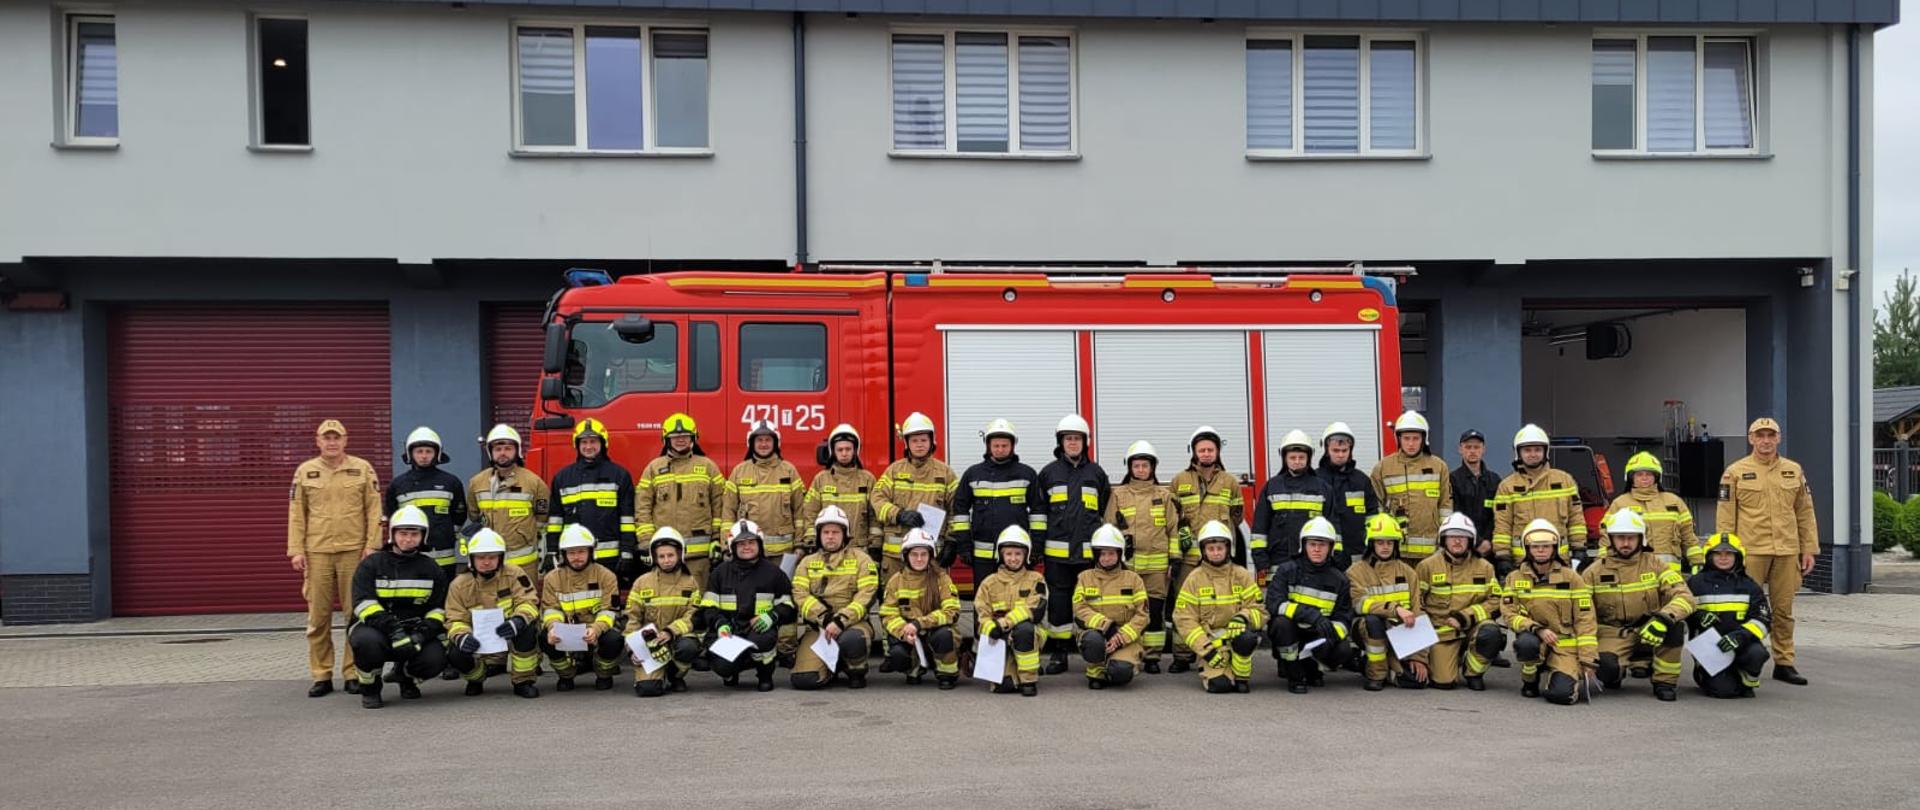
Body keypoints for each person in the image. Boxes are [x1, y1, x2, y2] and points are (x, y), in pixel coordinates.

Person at [1716, 417, 1819, 686]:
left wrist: (1808, 548)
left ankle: (1784, 662)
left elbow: (1805, 512)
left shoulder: (1793, 470)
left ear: (1778, 438)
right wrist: (1726, 553)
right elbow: (1726, 515)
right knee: (1745, 609)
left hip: (1786, 551)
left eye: (1770, 436)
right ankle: (1744, 660)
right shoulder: (1735, 472)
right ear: (1751, 439)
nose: (1765, 441)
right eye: (1760, 435)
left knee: (1783, 610)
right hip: (1751, 551)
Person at [288, 418, 383, 697]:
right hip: (317, 553)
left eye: (336, 437)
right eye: (326, 438)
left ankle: (352, 672)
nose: (331, 442)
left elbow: (374, 510)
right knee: (318, 618)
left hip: (354, 552)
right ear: (317, 441)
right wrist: (296, 550)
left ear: (345, 440)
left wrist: (372, 546)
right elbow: (296, 514)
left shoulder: (362, 469)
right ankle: (321, 674)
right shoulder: (306, 472)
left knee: (355, 615)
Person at [345, 505, 449, 709]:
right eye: (403, 533)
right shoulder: (372, 564)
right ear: (392, 534)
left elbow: (439, 609)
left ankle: (405, 676)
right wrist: (394, 630)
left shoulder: (431, 568)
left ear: (423, 536)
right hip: (377, 629)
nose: (408, 539)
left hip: (414, 631)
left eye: (414, 534)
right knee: (366, 643)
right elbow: (363, 604)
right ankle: (371, 688)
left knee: (436, 658)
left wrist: (421, 634)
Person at [1586, 510, 1695, 701]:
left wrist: (1664, 618)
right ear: (1611, 539)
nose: (1626, 543)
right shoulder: (1594, 571)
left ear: (1641, 539)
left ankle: (1664, 681)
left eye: (1631, 538)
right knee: (1607, 671)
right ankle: (1620, 668)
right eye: (1620, 538)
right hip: (1614, 633)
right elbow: (1581, 611)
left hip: (1651, 628)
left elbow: (1685, 596)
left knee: (1674, 626)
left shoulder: (1656, 565)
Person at [725, 420, 808, 664]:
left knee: (785, 600)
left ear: (775, 443)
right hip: (750, 553)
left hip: (784, 553)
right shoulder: (739, 472)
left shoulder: (789, 471)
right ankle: (754, 644)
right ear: (751, 444)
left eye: (768, 440)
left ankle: (786, 649)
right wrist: (726, 544)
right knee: (753, 600)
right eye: (759, 440)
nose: (763, 444)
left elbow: (800, 512)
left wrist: (801, 544)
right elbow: (727, 512)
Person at [1036, 414, 1111, 674]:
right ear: (1061, 442)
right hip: (1057, 555)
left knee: (1092, 602)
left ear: (1085, 442)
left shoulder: (1096, 473)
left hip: (1089, 554)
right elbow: (1040, 514)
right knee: (1059, 603)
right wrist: (1037, 547)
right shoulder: (1048, 473)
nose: (1072, 443)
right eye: (1068, 439)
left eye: (1077, 439)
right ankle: (1059, 653)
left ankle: (1093, 651)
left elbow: (1104, 511)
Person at [1168, 427, 1243, 673]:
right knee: (1184, 605)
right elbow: (1171, 514)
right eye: (1202, 449)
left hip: (1218, 558)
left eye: (1211, 449)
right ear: (1194, 452)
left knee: (1218, 605)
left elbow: (1237, 517)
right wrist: (1182, 533)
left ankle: (1218, 649)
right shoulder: (1180, 480)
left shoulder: (1230, 482)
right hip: (1190, 557)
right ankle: (1181, 656)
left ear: (1217, 451)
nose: (1207, 454)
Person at [1103, 440, 1181, 673]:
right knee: (1129, 612)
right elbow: (1109, 527)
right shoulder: (1118, 495)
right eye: (1136, 466)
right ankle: (1131, 651)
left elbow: (1173, 529)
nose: (1140, 470)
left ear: (1152, 468)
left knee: (1155, 612)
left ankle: (1153, 657)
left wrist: (1174, 559)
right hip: (1128, 567)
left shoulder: (1164, 496)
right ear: (1129, 468)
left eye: (1145, 466)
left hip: (1157, 568)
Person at [805, 424, 883, 653]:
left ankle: (857, 643)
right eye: (840, 449)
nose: (844, 453)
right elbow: (809, 513)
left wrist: (875, 547)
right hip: (826, 552)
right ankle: (823, 640)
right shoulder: (821, 480)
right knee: (826, 594)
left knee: (858, 598)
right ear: (833, 451)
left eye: (849, 449)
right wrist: (811, 544)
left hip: (859, 551)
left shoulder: (867, 479)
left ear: (855, 451)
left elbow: (875, 517)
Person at [1502, 519, 1597, 705]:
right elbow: (1509, 614)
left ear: (1555, 548)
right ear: (1527, 548)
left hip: (1565, 648)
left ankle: (1556, 675)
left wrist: (1587, 660)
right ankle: (1530, 680)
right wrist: (1536, 629)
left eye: (1546, 546)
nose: (1541, 550)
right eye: (1535, 546)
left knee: (1562, 695)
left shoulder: (1572, 578)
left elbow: (1586, 620)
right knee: (1526, 643)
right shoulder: (1514, 578)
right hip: (1535, 640)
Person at [443, 527, 542, 699]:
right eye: (481, 557)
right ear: (471, 559)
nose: (486, 562)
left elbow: (529, 600)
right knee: (455, 651)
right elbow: (454, 618)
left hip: (510, 633)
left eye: (492, 557)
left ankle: (523, 681)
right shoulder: (459, 585)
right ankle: (476, 679)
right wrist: (462, 636)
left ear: (501, 558)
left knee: (528, 629)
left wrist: (518, 620)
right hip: (478, 640)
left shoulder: (514, 574)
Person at [950, 419, 1046, 595]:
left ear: (1012, 446)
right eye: (996, 445)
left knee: (1017, 599)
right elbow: (960, 511)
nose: (1000, 449)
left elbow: (1038, 513)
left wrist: (1037, 546)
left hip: (1016, 554)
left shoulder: (1027, 474)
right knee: (983, 601)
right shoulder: (973, 474)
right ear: (988, 446)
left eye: (1004, 445)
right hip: (983, 554)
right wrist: (963, 546)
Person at [790, 505, 881, 690]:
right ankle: (832, 665)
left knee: (853, 640)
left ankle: (855, 670)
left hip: (854, 625)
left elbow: (866, 595)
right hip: (819, 628)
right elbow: (799, 594)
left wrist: (841, 621)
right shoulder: (806, 563)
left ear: (845, 534)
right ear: (819, 535)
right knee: (804, 679)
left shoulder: (862, 560)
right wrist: (824, 618)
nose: (830, 536)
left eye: (835, 532)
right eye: (826, 532)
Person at [1411, 513, 1505, 691]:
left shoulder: (1485, 567)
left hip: (1472, 628)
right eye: (1452, 536)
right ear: (1443, 540)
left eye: (1462, 537)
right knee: (1443, 682)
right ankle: (1452, 656)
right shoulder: (1427, 566)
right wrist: (1420, 652)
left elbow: (1495, 600)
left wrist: (1464, 617)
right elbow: (1417, 605)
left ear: (1471, 540)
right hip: (1442, 633)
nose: (1457, 542)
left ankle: (1473, 672)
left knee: (1491, 633)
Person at [700, 520, 795, 692]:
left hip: (758, 629)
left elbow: (788, 605)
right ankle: (730, 672)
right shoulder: (719, 573)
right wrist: (719, 624)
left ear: (760, 543)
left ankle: (765, 674)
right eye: (741, 544)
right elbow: (708, 607)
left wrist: (771, 617)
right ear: (732, 546)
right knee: (722, 664)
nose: (747, 547)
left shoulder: (773, 573)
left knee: (763, 639)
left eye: (751, 542)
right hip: (729, 630)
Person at [636, 413, 728, 586]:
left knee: (698, 601)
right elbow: (643, 508)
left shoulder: (708, 467)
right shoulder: (654, 469)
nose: (680, 440)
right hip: (665, 554)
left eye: (685, 436)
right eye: (675, 437)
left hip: (699, 557)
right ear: (666, 440)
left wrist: (717, 540)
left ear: (693, 438)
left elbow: (720, 505)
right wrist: (646, 543)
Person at [1173, 520, 1265, 694]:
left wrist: (1243, 616)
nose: (1216, 553)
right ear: (1203, 550)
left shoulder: (1241, 575)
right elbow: (1184, 619)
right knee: (1219, 686)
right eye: (1211, 549)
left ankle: (1241, 676)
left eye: (1220, 548)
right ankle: (1223, 671)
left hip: (1237, 641)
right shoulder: (1194, 579)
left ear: (1228, 549)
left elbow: (1260, 610)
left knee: (1246, 639)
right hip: (1211, 646)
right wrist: (1206, 651)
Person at [869, 411, 957, 590]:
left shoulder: (945, 473)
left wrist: (952, 541)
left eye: (923, 440)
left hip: (930, 556)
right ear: (907, 443)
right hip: (896, 557)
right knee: (894, 603)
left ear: (932, 441)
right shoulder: (894, 471)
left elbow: (957, 510)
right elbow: (877, 499)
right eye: (914, 441)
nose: (919, 445)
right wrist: (899, 515)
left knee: (930, 600)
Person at [1266, 517, 1356, 693]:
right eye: (1312, 544)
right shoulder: (1287, 570)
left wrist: (1332, 635)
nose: (1316, 549)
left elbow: (1344, 618)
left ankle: (1312, 666)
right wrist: (1311, 616)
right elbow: (1274, 603)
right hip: (1292, 633)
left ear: (1331, 547)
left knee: (1343, 649)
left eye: (1322, 545)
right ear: (1303, 545)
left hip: (1318, 637)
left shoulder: (1340, 580)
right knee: (1281, 623)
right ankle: (1293, 672)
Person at [546, 418, 638, 588]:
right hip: (574, 559)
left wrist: (627, 552)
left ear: (603, 444)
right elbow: (555, 520)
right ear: (577, 445)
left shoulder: (619, 475)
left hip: (610, 559)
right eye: (584, 442)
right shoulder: (562, 478)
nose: (589, 446)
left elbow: (627, 520)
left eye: (593, 441)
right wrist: (551, 550)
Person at [1685, 533, 1773, 698]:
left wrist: (1740, 636)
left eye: (1728, 554)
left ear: (1738, 556)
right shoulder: (1695, 583)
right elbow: (1682, 609)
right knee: (1724, 692)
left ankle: (1747, 677)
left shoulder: (1749, 585)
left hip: (1741, 644)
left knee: (1757, 654)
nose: (1723, 558)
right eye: (1717, 553)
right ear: (1708, 556)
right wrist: (1698, 616)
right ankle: (1704, 673)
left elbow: (1763, 619)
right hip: (1710, 649)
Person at [538, 524, 625, 692]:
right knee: (544, 638)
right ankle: (566, 675)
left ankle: (603, 673)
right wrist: (553, 628)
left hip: (596, 631)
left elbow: (609, 611)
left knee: (614, 639)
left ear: (591, 552)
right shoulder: (552, 578)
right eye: (571, 553)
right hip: (566, 632)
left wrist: (596, 629)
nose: (576, 557)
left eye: (581, 552)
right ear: (564, 554)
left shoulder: (606, 576)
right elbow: (550, 610)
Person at [623, 527, 706, 697]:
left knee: (689, 647)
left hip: (677, 639)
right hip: (650, 645)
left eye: (671, 555)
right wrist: (633, 650)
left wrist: (670, 631)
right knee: (648, 690)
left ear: (680, 555)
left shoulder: (690, 583)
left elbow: (693, 616)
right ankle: (655, 676)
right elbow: (632, 619)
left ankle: (674, 676)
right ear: (654, 558)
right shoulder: (642, 583)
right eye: (661, 556)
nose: (666, 560)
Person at [1348, 513, 1425, 691]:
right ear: (1371, 543)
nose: (1385, 547)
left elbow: (1418, 613)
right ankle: (1376, 675)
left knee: (1415, 681)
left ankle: (1379, 666)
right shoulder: (1355, 572)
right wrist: (1395, 609)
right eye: (1380, 542)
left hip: (1401, 635)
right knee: (1373, 621)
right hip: (1367, 630)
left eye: (1390, 542)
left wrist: (1418, 658)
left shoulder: (1408, 573)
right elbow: (1360, 603)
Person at [877, 529, 963, 689]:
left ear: (931, 555)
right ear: (905, 556)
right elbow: (888, 614)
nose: (919, 559)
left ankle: (947, 673)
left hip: (934, 632)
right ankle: (914, 669)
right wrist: (903, 631)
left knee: (945, 635)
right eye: (914, 554)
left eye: (923, 554)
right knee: (897, 655)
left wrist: (918, 624)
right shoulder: (896, 581)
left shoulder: (942, 578)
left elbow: (952, 611)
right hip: (910, 636)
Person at [1492, 424, 1586, 565]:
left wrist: (1579, 547)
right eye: (1527, 450)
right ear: (1519, 453)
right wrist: (1502, 556)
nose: (1533, 454)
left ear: (1545, 452)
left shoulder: (1565, 480)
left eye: (1537, 449)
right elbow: (1502, 525)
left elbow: (1576, 518)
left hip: (1559, 560)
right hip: (1522, 562)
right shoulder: (1507, 486)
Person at [1370, 410, 1454, 566]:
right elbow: (1377, 506)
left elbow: (1445, 506)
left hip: (1431, 550)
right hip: (1396, 549)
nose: (1410, 444)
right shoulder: (1383, 467)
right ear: (1398, 439)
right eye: (1406, 438)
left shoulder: (1438, 466)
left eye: (1415, 438)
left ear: (1424, 439)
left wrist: (1445, 538)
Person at [1073, 524, 1150, 690]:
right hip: (1096, 633)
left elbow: (1142, 615)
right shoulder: (1085, 578)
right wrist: (1107, 628)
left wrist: (1120, 637)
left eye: (1111, 553)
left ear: (1120, 554)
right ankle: (1096, 670)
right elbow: (1080, 608)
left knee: (1120, 673)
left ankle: (1117, 665)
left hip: (1125, 637)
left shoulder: (1134, 579)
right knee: (1093, 641)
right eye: (1102, 554)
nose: (1106, 558)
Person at [468, 424, 551, 577]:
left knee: (526, 600)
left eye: (508, 448)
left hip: (524, 564)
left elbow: (542, 520)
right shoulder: (476, 483)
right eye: (498, 449)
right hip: (489, 563)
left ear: (517, 451)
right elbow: (474, 516)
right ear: (490, 452)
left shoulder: (534, 483)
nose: (503, 453)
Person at [973, 526, 1047, 696]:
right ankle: (1012, 671)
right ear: (1001, 555)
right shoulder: (989, 583)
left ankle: (1029, 680)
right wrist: (991, 628)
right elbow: (980, 614)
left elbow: (1034, 610)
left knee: (1024, 629)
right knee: (1004, 686)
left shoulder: (1036, 579)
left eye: (1018, 554)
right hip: (999, 639)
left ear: (1026, 555)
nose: (1013, 559)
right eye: (1009, 554)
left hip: (1028, 634)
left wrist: (1004, 623)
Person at [384, 426, 468, 573]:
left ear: (437, 453)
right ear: (410, 453)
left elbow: (459, 514)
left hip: (444, 556)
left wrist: (447, 534)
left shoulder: (451, 482)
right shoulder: (397, 485)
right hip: (409, 557)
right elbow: (392, 517)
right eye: (419, 451)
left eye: (428, 451)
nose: (424, 456)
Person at [1252, 429, 1332, 577]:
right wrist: (1260, 559)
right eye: (1292, 457)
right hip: (1277, 562)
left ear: (1309, 458)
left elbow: (1333, 525)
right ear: (1284, 458)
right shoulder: (1272, 487)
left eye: (1301, 457)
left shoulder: (1322, 488)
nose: (1297, 461)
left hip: (1312, 564)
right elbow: (1259, 528)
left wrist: (1334, 556)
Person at [1603, 452, 1697, 574]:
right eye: (1639, 474)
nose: (1644, 478)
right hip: (1633, 573)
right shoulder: (1620, 503)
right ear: (1631, 477)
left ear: (1656, 477)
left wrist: (1697, 562)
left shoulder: (1673, 502)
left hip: (1670, 573)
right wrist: (1603, 562)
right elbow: (1606, 536)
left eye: (1649, 474)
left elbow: (1688, 535)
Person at [1316, 422, 1377, 567]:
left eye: (1344, 450)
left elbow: (1372, 516)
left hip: (1356, 556)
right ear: (1326, 450)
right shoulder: (1315, 480)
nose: (1340, 455)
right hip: (1324, 556)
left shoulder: (1361, 481)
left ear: (1350, 450)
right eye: (1335, 450)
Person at [1448, 430, 1503, 575]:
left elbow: (1500, 515)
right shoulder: (1453, 480)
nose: (1472, 451)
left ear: (1483, 449)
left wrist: (1488, 542)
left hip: (1490, 551)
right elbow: (1455, 513)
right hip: (1463, 548)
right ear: (1460, 449)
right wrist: (1476, 542)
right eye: (1468, 447)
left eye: (1476, 447)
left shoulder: (1495, 480)